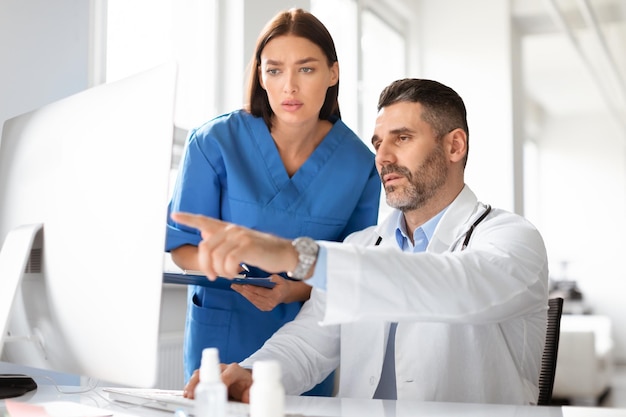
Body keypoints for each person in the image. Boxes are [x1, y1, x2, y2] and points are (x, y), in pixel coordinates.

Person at [172, 78, 550, 405]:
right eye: (378, 142)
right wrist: (253, 374)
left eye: (402, 138)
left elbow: (453, 284)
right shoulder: (362, 243)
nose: (382, 157)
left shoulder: (513, 239)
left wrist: (296, 255)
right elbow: (308, 344)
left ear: (454, 146)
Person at [165, 8, 381, 396]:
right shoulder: (213, 142)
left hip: (304, 336)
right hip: (220, 330)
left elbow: (353, 268)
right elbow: (181, 245)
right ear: (260, 74)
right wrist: (219, 263)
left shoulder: (360, 165)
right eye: (275, 70)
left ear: (333, 73)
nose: (289, 87)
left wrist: (292, 290)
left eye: (307, 69)